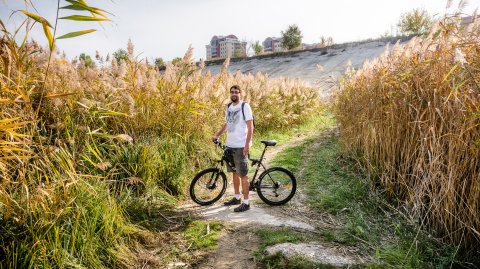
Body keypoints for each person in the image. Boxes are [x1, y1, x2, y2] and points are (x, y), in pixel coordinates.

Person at [212, 85, 254, 212]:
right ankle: (237, 198)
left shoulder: (244, 106)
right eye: (232, 92)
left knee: (243, 175)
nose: (234, 94)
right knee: (235, 173)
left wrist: (247, 145)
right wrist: (217, 135)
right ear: (230, 94)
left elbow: (250, 127)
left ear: (240, 94)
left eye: (236, 92)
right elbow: (227, 124)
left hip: (241, 146)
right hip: (230, 145)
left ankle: (246, 203)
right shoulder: (229, 107)